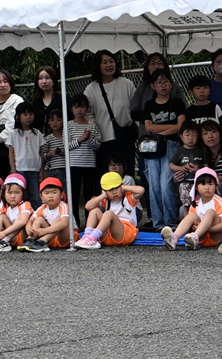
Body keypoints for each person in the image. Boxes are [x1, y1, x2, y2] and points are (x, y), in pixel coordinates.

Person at [139, 68, 186, 230]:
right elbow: (148, 127)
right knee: (154, 186)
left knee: (167, 185)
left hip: (172, 146)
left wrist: (160, 133)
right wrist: (170, 128)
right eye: (159, 82)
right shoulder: (149, 105)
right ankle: (158, 224)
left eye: (166, 81)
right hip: (152, 148)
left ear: (171, 84)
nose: (163, 85)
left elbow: (180, 126)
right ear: (153, 86)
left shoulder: (177, 103)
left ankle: (171, 223)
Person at [83, 50, 137, 178]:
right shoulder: (91, 89)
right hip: (103, 141)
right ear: (97, 66)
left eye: (111, 61)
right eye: (104, 62)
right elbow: (88, 115)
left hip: (125, 138)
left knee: (127, 174)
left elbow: (135, 109)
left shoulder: (127, 84)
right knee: (106, 176)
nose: (109, 65)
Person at [161, 168, 222, 250]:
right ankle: (174, 238)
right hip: (201, 239)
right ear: (196, 187)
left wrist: (204, 229)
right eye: (203, 184)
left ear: (216, 186)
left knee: (210, 212)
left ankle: (195, 236)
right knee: (191, 215)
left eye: (210, 184)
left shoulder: (220, 201)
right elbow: (191, 224)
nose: (207, 187)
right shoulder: (195, 203)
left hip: (218, 238)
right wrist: (193, 228)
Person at [77, 171, 145, 249]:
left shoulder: (129, 197)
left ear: (121, 186)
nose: (114, 192)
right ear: (104, 191)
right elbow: (88, 206)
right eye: (110, 190)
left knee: (109, 214)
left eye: (116, 188)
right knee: (94, 210)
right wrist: (103, 196)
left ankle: (92, 237)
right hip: (108, 235)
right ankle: (87, 237)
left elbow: (141, 190)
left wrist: (124, 187)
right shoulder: (105, 200)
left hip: (125, 234)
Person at [66, 94, 102, 225]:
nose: (79, 110)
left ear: (86, 108)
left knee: (89, 195)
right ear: (71, 109)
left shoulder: (92, 125)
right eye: (76, 107)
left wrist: (89, 139)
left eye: (82, 107)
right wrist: (81, 139)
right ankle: (74, 223)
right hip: (73, 165)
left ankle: (89, 223)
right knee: (73, 195)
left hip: (89, 165)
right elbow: (66, 146)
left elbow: (98, 145)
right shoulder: (69, 125)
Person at [0, 173, 33, 252]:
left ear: (23, 194)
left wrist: (4, 233)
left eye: (17, 193)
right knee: (1, 217)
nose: (13, 196)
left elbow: (23, 221)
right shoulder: (5, 207)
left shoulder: (25, 205)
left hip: (25, 237)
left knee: (21, 217)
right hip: (12, 237)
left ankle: (4, 241)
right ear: (4, 194)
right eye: (9, 192)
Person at [18, 177, 74, 252]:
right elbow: (30, 221)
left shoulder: (64, 206)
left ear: (62, 195)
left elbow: (64, 223)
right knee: (38, 219)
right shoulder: (43, 208)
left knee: (58, 219)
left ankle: (42, 242)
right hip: (51, 238)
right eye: (47, 193)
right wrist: (29, 230)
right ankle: (30, 240)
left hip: (66, 239)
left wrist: (45, 231)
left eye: (54, 192)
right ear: (41, 197)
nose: (50, 196)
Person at [7, 102, 43, 208]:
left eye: (31, 114)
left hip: (34, 169)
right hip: (20, 169)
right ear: (18, 116)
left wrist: (41, 170)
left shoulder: (37, 133)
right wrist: (13, 170)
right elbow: (11, 152)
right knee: (20, 196)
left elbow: (41, 152)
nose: (28, 117)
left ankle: (37, 215)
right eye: (25, 114)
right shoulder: (14, 133)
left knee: (35, 196)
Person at [170, 120, 205, 213]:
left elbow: (206, 167)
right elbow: (171, 165)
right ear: (181, 136)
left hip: (198, 183)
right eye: (187, 135)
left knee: (200, 204)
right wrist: (181, 168)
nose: (191, 138)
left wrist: (198, 170)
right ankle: (187, 221)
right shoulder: (180, 150)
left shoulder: (201, 151)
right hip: (184, 183)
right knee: (186, 206)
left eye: (194, 135)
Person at [31, 66, 61, 133]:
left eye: (47, 78)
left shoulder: (61, 99)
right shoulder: (36, 101)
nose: (44, 81)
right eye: (40, 78)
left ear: (53, 80)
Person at [42, 109, 67, 186]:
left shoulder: (67, 137)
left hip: (66, 168)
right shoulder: (48, 139)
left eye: (58, 120)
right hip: (53, 169)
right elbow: (42, 156)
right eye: (52, 120)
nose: (55, 123)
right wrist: (49, 154)